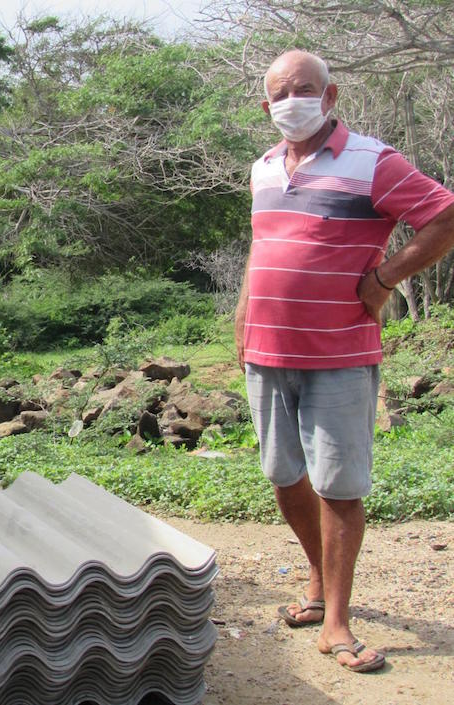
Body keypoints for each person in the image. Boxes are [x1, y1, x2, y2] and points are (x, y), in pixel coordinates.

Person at [235, 50, 454, 673]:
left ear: (330, 97)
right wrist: (244, 314)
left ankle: (337, 620)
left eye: (305, 88)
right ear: (267, 105)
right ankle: (316, 575)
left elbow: (444, 217)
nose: (292, 99)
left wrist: (387, 277)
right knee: (283, 475)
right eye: (281, 92)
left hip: (339, 353)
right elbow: (264, 244)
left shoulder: (374, 160)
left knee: (339, 485)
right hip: (267, 351)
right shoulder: (265, 167)